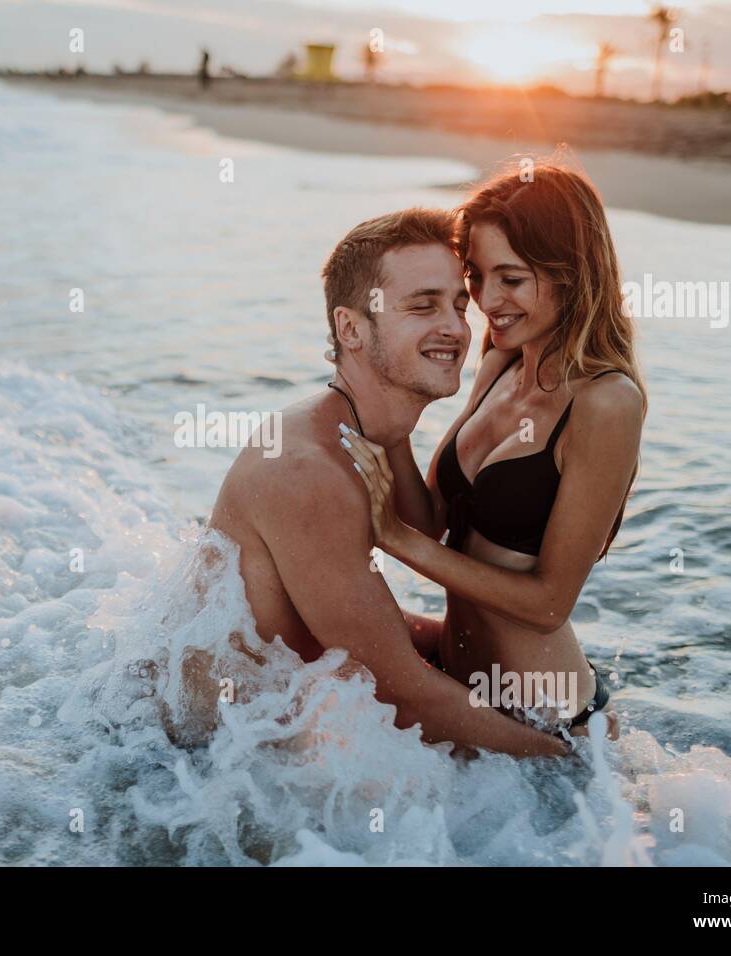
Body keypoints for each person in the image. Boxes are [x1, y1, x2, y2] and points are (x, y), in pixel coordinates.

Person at [208, 208, 568, 757]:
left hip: (259, 737)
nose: (454, 327)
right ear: (350, 328)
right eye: (422, 306)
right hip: (191, 768)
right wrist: (580, 767)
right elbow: (405, 697)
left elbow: (361, 611)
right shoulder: (308, 472)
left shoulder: (367, 430)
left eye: (458, 305)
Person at [339, 162, 644, 733]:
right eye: (477, 276)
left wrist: (395, 540)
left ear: (572, 273)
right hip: (462, 689)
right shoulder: (502, 358)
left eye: (511, 278)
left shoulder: (606, 403)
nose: (485, 300)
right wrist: (399, 414)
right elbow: (432, 521)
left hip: (550, 729)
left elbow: (549, 603)